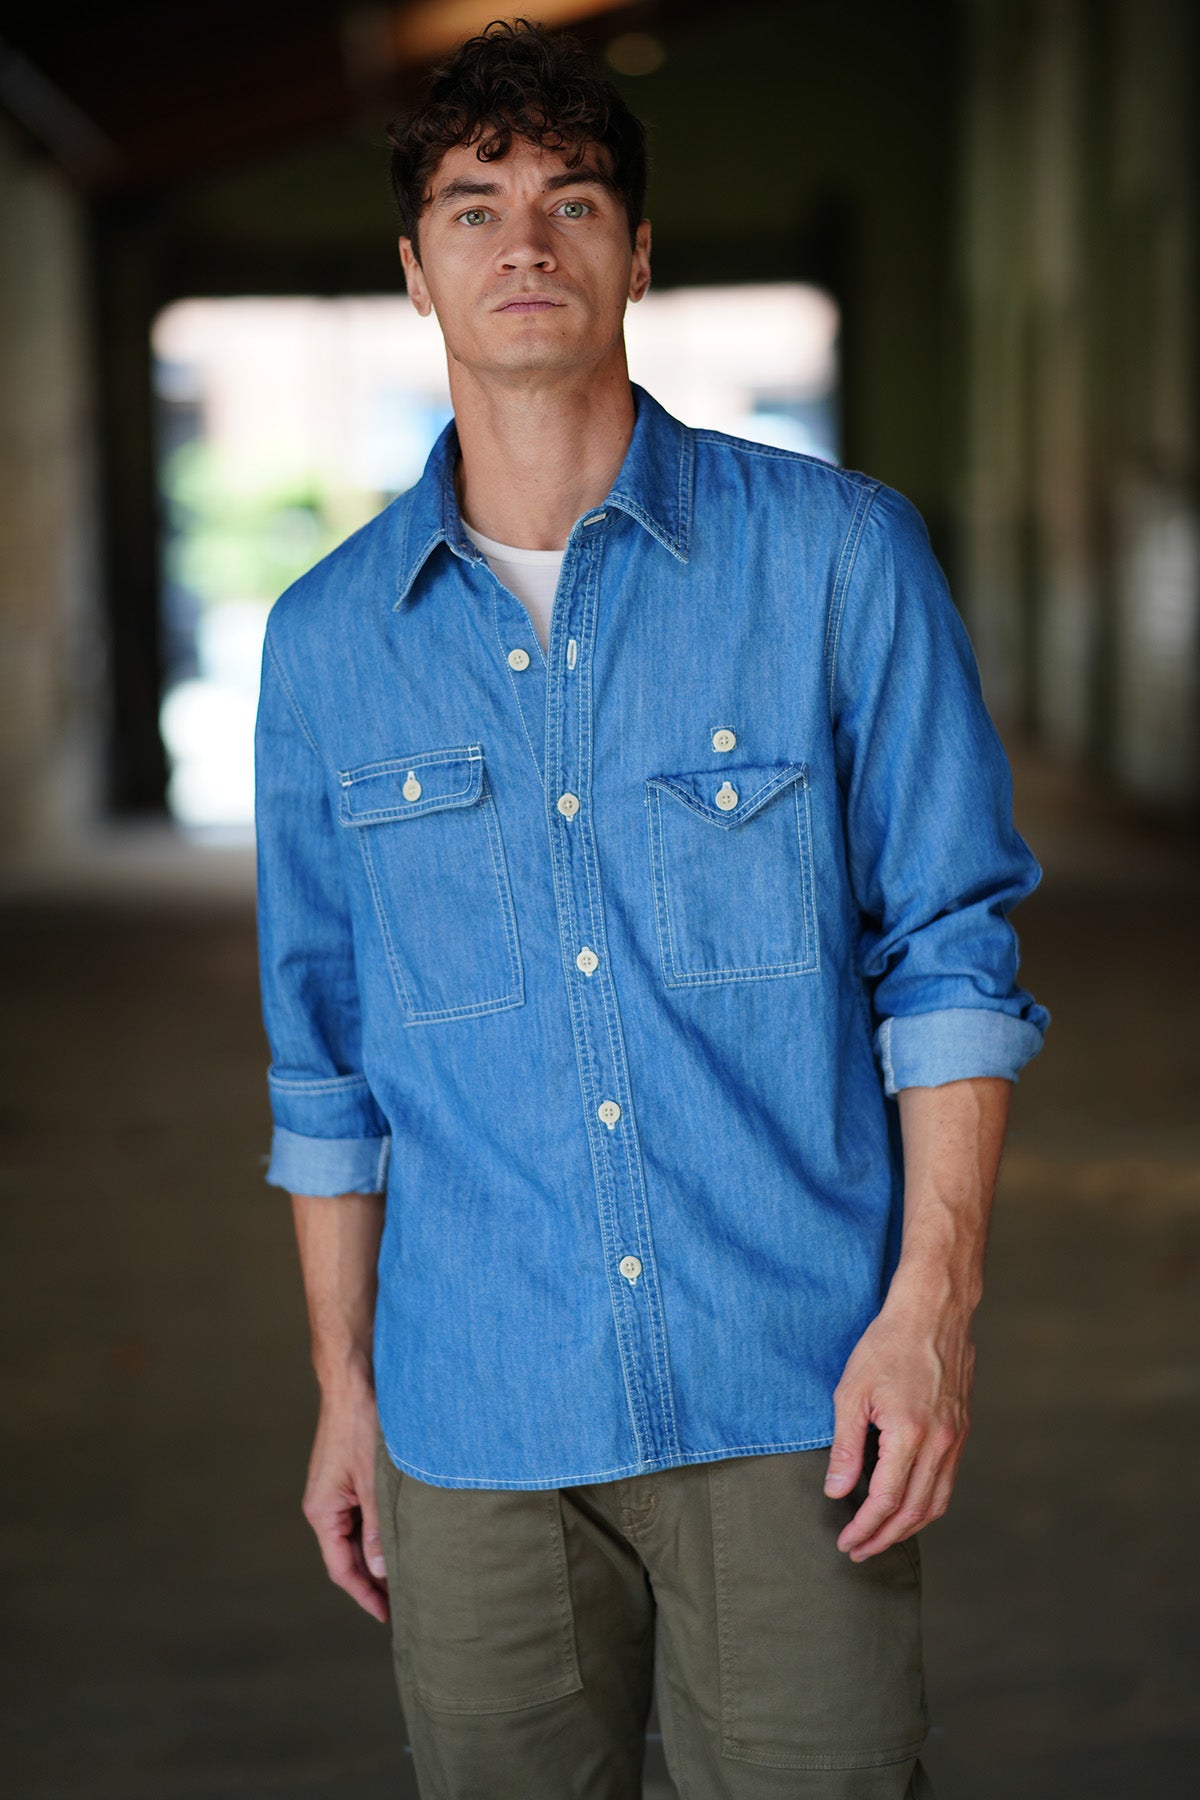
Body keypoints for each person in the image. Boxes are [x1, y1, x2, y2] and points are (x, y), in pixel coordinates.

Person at [252, 17, 1050, 1799]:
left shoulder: (839, 558)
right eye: (473, 208)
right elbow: (325, 1065)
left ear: (635, 251)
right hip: (475, 1417)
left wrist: (931, 1310)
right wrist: (346, 1390)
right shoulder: (322, 647)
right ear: (413, 270)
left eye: (572, 197)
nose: (524, 243)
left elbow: (950, 958)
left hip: (794, 1391)